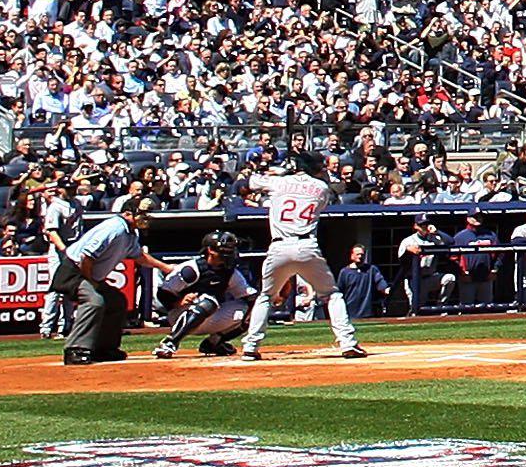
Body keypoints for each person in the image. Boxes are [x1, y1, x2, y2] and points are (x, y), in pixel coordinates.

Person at [239, 150, 370, 360]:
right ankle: (348, 343)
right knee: (332, 295)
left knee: (266, 296)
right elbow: (321, 186)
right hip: (307, 246)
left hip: (279, 247)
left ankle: (250, 347)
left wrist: (276, 174)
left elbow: (244, 183)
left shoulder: (279, 182)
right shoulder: (322, 188)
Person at [48, 196, 166, 366]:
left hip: (87, 273)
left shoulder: (130, 232)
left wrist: (166, 268)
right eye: (142, 214)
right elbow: (86, 256)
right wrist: (92, 282)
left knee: (116, 301)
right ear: (128, 213)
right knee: (94, 301)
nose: (146, 218)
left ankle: (104, 349)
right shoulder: (115, 228)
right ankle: (75, 349)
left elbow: (139, 256)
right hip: (73, 272)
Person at [153, 228, 256, 358]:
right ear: (210, 251)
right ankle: (170, 343)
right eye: (224, 251)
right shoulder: (191, 269)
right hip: (180, 314)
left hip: (210, 314)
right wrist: (178, 301)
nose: (228, 255)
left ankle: (214, 343)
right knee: (209, 301)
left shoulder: (230, 272)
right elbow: (162, 293)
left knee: (253, 310)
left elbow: (248, 295)